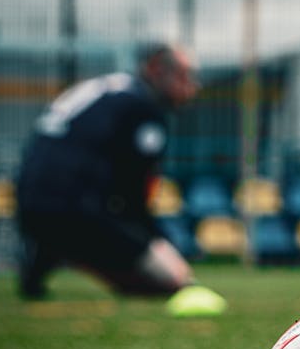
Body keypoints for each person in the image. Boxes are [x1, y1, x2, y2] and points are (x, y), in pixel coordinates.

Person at [16, 42, 200, 299]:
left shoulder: (112, 88)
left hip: (29, 205)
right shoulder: (143, 107)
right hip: (74, 210)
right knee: (174, 281)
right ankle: (57, 250)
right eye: (184, 76)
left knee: (78, 207)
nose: (192, 86)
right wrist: (160, 244)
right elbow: (133, 196)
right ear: (157, 70)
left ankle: (44, 255)